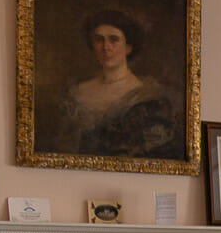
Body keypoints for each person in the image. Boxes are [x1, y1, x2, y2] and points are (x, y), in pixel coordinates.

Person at [52, 9, 180, 158]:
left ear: (128, 47)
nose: (106, 47)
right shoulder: (78, 92)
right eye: (99, 40)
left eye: (114, 39)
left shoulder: (146, 96)